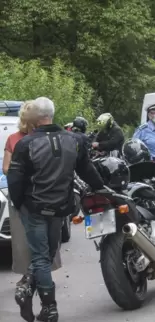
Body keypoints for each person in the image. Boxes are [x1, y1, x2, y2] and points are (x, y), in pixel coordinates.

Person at [8, 97, 104, 322]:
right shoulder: (75, 141)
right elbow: (86, 170)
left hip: (34, 208)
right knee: (47, 255)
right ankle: (43, 304)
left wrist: (20, 203)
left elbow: (15, 179)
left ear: (34, 117)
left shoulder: (26, 144)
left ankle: (43, 304)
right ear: (52, 114)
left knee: (43, 257)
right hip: (60, 208)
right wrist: (102, 188)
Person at [3, 101, 62, 288]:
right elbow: (6, 168)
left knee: (47, 240)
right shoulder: (13, 138)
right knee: (23, 240)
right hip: (20, 194)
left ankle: (39, 275)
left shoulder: (45, 137)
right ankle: (30, 275)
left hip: (44, 194)